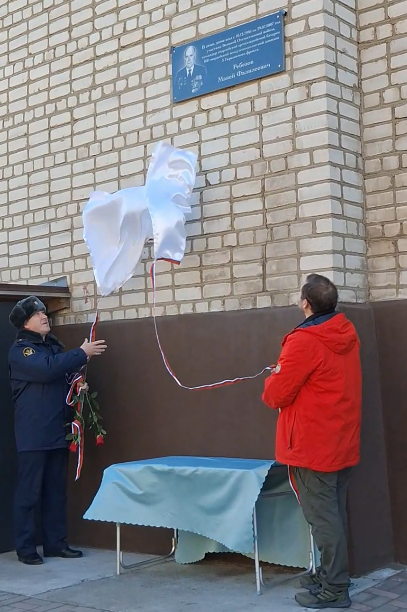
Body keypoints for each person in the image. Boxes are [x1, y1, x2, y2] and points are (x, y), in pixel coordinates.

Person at [262, 274, 362, 609]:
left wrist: (275, 376)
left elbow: (276, 395)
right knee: (333, 514)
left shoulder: (304, 340)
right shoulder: (344, 331)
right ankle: (331, 574)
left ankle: (335, 587)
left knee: (323, 518)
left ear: (305, 303)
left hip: (313, 444)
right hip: (340, 439)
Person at [8, 296, 107, 566]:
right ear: (25, 323)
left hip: (57, 430)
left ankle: (56, 544)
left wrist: (76, 383)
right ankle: (26, 548)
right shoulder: (22, 351)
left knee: (55, 492)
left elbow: (60, 374)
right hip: (33, 434)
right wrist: (81, 353)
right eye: (37, 314)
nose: (44, 316)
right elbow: (46, 370)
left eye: (44, 312)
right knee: (29, 494)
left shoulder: (52, 346)